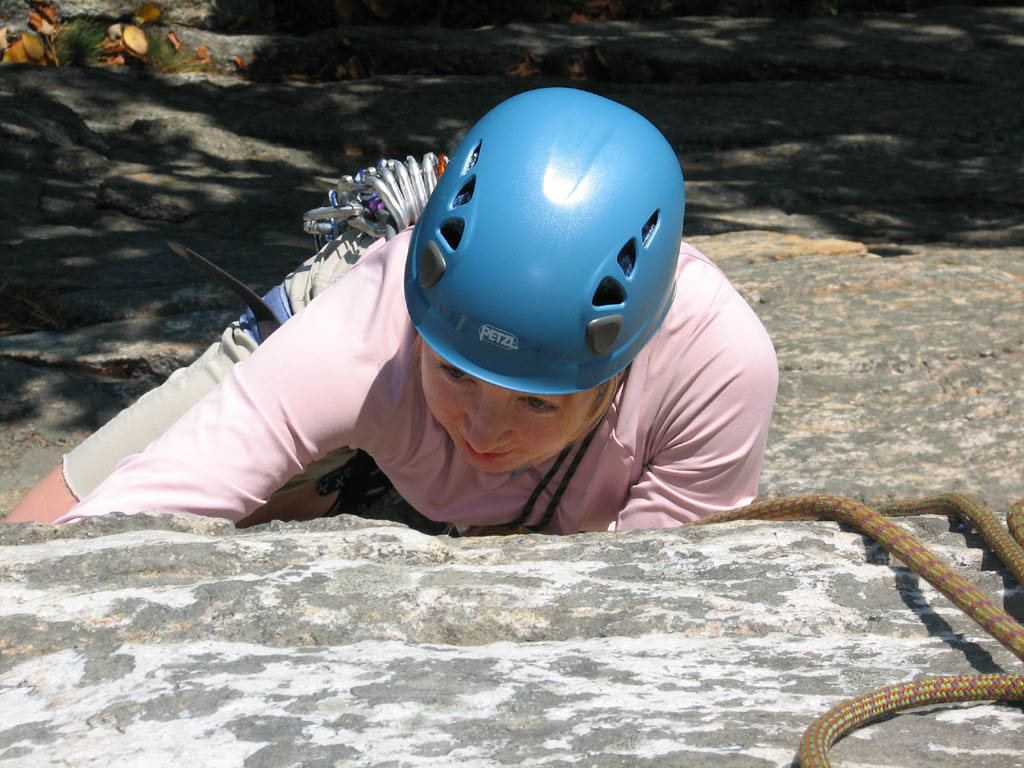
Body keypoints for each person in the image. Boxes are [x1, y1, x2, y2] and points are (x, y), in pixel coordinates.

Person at [6, 87, 778, 534]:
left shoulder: (715, 370)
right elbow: (108, 531)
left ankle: (376, 466)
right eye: (459, 373)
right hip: (363, 366)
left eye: (538, 401)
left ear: (622, 370)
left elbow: (651, 604)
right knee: (28, 543)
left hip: (411, 420)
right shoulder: (356, 335)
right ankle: (352, 468)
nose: (483, 429)